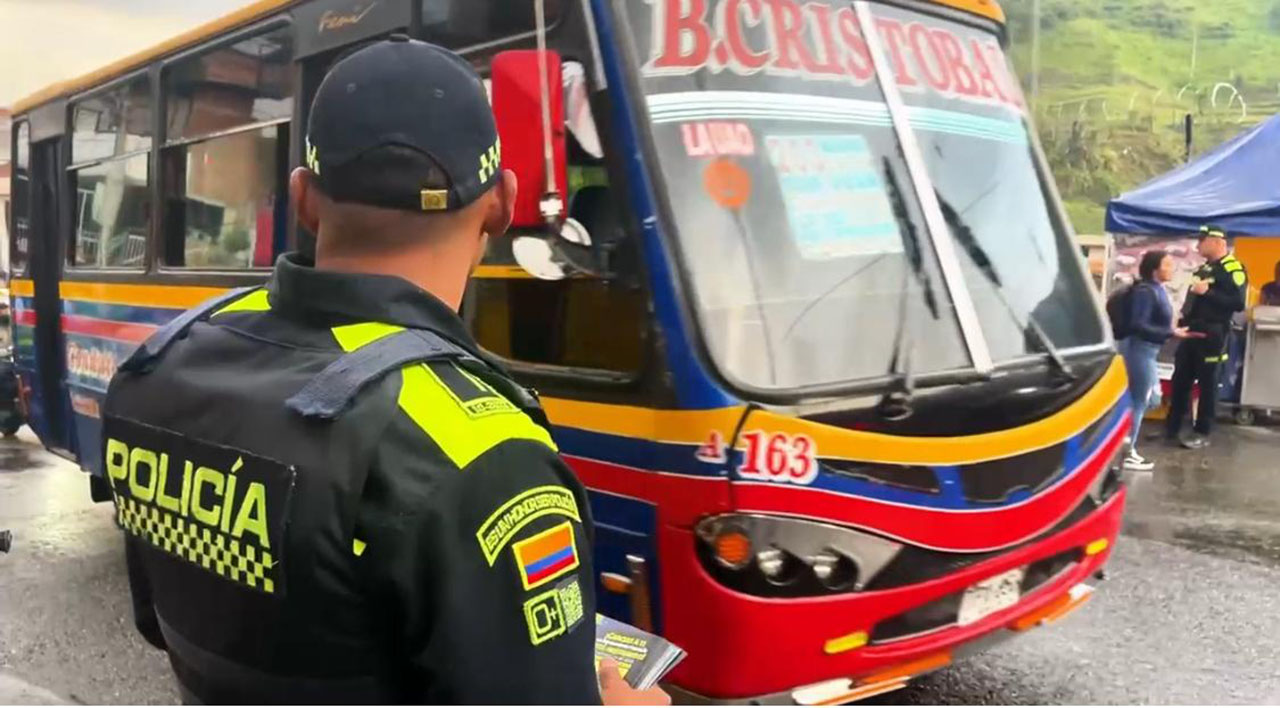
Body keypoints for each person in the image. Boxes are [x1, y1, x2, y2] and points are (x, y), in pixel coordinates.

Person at [101, 37, 668, 705]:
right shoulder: (482, 458)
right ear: (501, 204)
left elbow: (162, 626)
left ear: (304, 198)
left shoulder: (159, 365)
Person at [1164, 225, 1248, 449]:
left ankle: (1203, 431)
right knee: (1180, 380)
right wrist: (1181, 321)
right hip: (1191, 331)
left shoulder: (1233, 268)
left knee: (1208, 384)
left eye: (1202, 240)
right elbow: (1192, 300)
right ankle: (1174, 429)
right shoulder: (1203, 269)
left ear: (1218, 242)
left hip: (1213, 334)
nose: (1198, 245)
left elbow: (1238, 303)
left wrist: (1208, 292)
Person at [1117, 250, 1193, 471]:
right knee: (1142, 400)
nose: (1172, 268)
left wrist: (1171, 331)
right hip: (1138, 349)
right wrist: (1170, 332)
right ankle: (1126, 451)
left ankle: (1123, 444)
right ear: (1154, 269)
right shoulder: (1145, 292)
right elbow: (1138, 324)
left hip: (1148, 351)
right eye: (1167, 265)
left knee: (1147, 399)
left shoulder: (1157, 289)